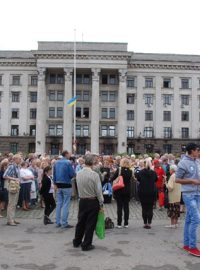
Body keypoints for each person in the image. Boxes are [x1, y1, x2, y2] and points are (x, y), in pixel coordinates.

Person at [73, 154, 104, 251]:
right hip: (92, 201)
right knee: (90, 223)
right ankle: (86, 244)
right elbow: (98, 191)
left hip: (82, 200)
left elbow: (76, 186)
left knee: (81, 222)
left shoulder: (78, 173)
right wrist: (101, 202)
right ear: (93, 162)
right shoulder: (94, 175)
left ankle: (77, 241)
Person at [176, 143, 200, 257]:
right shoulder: (183, 163)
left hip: (198, 194)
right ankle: (192, 247)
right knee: (196, 219)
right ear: (191, 151)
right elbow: (177, 180)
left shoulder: (197, 161)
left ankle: (186, 244)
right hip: (188, 194)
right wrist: (191, 181)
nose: (199, 152)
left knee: (189, 220)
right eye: (197, 150)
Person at [53, 150, 75, 228]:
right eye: (69, 153)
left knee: (59, 203)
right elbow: (72, 174)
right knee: (66, 203)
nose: (70, 155)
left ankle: (58, 222)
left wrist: (55, 183)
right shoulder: (68, 162)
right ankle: (64, 222)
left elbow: (54, 174)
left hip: (58, 184)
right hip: (66, 184)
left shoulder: (56, 162)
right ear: (66, 154)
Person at [111, 158, 133, 228]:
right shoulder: (130, 171)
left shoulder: (119, 169)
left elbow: (112, 178)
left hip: (119, 190)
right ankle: (126, 223)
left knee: (119, 207)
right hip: (127, 191)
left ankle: (119, 223)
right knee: (126, 207)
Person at [137, 158, 157, 229]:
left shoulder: (141, 172)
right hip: (151, 192)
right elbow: (156, 180)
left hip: (142, 192)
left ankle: (145, 223)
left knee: (144, 208)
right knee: (150, 208)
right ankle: (149, 223)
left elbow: (138, 179)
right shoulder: (153, 172)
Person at [3, 154, 21, 226]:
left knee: (14, 203)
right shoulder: (11, 166)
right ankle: (10, 220)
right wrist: (14, 178)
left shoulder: (17, 166)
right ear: (15, 159)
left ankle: (12, 218)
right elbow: (4, 175)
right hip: (12, 186)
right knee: (11, 204)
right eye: (19, 159)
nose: (20, 160)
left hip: (16, 186)